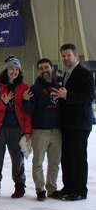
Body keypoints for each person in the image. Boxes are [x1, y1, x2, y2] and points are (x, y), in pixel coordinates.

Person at [51, 43, 95, 201]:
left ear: (76, 56)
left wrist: (68, 95)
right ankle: (69, 187)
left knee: (78, 157)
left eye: (69, 55)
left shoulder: (84, 73)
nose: (66, 58)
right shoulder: (67, 74)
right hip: (68, 124)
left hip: (79, 124)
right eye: (63, 55)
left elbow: (89, 96)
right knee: (67, 157)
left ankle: (80, 190)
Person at [0, 56, 32, 198]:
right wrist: (3, 102)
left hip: (16, 128)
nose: (14, 71)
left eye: (16, 69)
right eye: (11, 68)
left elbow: (26, 112)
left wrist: (26, 131)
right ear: (6, 70)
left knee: (17, 158)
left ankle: (20, 185)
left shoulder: (24, 86)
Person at [22, 58, 62, 201]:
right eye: (41, 68)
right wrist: (26, 101)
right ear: (38, 71)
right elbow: (29, 110)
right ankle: (40, 189)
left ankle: (51, 188)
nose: (44, 70)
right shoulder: (35, 88)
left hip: (57, 131)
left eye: (46, 67)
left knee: (54, 163)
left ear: (51, 68)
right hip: (40, 131)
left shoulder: (59, 87)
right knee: (38, 162)